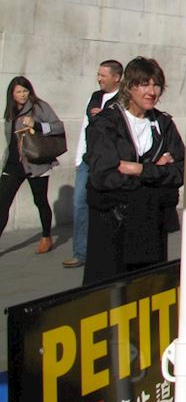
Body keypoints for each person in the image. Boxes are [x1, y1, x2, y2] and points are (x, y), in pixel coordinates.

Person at [83, 57, 185, 284]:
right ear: (129, 86)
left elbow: (181, 171)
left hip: (151, 226)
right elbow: (104, 176)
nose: (151, 92)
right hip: (113, 225)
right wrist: (157, 173)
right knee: (110, 291)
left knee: (147, 290)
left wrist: (140, 169)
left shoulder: (164, 124)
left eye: (156, 85)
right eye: (144, 84)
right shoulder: (106, 123)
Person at [64, 59, 122, 269]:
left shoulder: (124, 99)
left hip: (111, 163)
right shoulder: (94, 97)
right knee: (80, 203)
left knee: (109, 207)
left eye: (103, 75)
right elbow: (85, 128)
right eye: (98, 74)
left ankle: (109, 252)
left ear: (116, 77)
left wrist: (107, 115)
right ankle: (81, 252)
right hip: (88, 160)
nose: (99, 79)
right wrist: (79, 158)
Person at [1, 76, 66, 253]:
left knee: (40, 201)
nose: (22, 95)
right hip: (13, 164)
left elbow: (59, 127)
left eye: (25, 91)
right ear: (12, 94)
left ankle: (46, 237)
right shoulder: (11, 110)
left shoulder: (39, 106)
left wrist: (36, 125)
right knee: (2, 203)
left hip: (36, 163)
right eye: (19, 92)